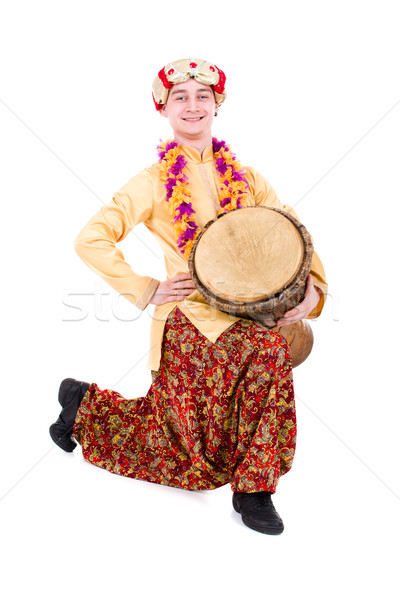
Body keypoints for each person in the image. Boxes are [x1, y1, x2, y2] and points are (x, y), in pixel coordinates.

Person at [50, 58, 328, 535]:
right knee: (195, 454)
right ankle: (252, 489)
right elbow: (90, 237)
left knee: (211, 441)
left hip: (249, 318)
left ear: (217, 104)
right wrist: (147, 288)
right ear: (164, 108)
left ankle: (251, 486)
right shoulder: (153, 180)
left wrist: (314, 288)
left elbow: (293, 235)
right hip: (190, 319)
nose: (192, 105)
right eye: (181, 96)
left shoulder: (248, 177)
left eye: (203, 96)